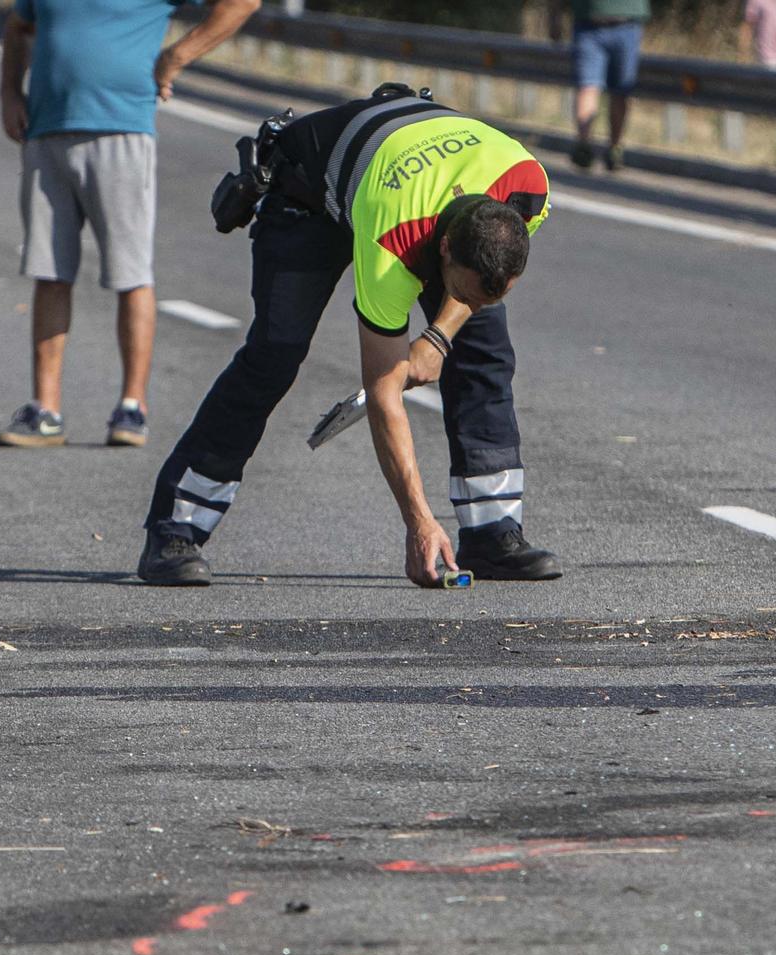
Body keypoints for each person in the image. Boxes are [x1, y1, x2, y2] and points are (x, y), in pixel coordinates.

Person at [134, 87, 562, 588]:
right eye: (467, 291)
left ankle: (491, 534)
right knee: (276, 353)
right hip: (309, 193)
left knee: (485, 348)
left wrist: (441, 337)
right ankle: (174, 527)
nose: (475, 302)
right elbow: (384, 393)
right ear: (444, 250)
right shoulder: (393, 243)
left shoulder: (526, 185)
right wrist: (418, 523)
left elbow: (476, 294)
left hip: (410, 176)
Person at [0, 0, 258, 449]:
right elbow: (19, 27)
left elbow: (242, 3)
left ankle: (132, 407)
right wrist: (9, 93)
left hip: (121, 129)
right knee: (50, 273)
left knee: (131, 274)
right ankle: (45, 409)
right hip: (45, 130)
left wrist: (175, 57)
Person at [559, 0, 647, 172]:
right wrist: (554, 15)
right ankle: (583, 144)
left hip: (626, 25)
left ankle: (614, 147)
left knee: (621, 91)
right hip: (589, 25)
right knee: (588, 86)